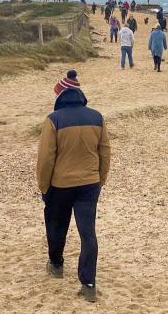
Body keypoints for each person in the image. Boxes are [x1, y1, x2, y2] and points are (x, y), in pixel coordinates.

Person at [37, 70, 111, 303]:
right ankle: (88, 284)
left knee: (56, 225)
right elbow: (105, 151)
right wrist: (101, 178)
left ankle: (56, 265)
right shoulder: (97, 117)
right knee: (87, 233)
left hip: (60, 184)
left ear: (60, 97)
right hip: (89, 184)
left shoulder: (54, 119)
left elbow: (46, 157)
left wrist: (44, 185)